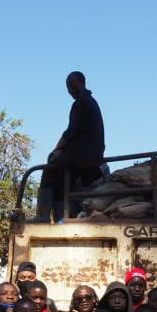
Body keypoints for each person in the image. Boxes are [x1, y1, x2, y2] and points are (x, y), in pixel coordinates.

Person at [37, 71, 106, 223]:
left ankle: (42, 217)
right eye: (68, 87)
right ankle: (62, 216)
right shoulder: (91, 102)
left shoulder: (81, 103)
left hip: (83, 153)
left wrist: (55, 151)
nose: (70, 90)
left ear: (81, 83)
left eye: (72, 86)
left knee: (50, 167)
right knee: (61, 176)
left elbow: (70, 133)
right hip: (91, 153)